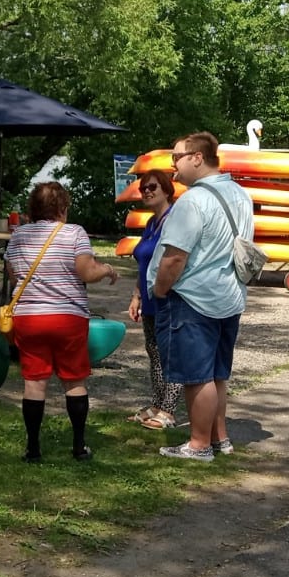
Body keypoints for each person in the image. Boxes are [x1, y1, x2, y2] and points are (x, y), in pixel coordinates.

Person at [149, 131, 254, 463]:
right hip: (229, 295)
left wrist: (160, 289)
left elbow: (175, 257)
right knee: (217, 374)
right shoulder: (240, 194)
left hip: (194, 298)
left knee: (197, 377)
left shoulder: (193, 201)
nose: (173, 166)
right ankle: (219, 438)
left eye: (176, 157)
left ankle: (198, 445)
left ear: (197, 157)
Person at [4, 181, 118, 463]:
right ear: (63, 207)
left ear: (33, 208)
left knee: (34, 382)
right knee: (74, 380)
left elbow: (12, 275)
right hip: (67, 318)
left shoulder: (18, 236)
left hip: (29, 318)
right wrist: (105, 269)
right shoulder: (74, 233)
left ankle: (33, 448)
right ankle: (79, 446)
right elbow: (85, 271)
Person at [126, 169, 182, 430]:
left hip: (169, 298)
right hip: (149, 299)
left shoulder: (175, 220)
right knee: (154, 353)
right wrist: (136, 295)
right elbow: (145, 263)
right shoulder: (151, 224)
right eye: (143, 188)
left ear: (167, 190)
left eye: (152, 187)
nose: (146, 192)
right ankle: (157, 404)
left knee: (171, 355)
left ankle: (169, 411)